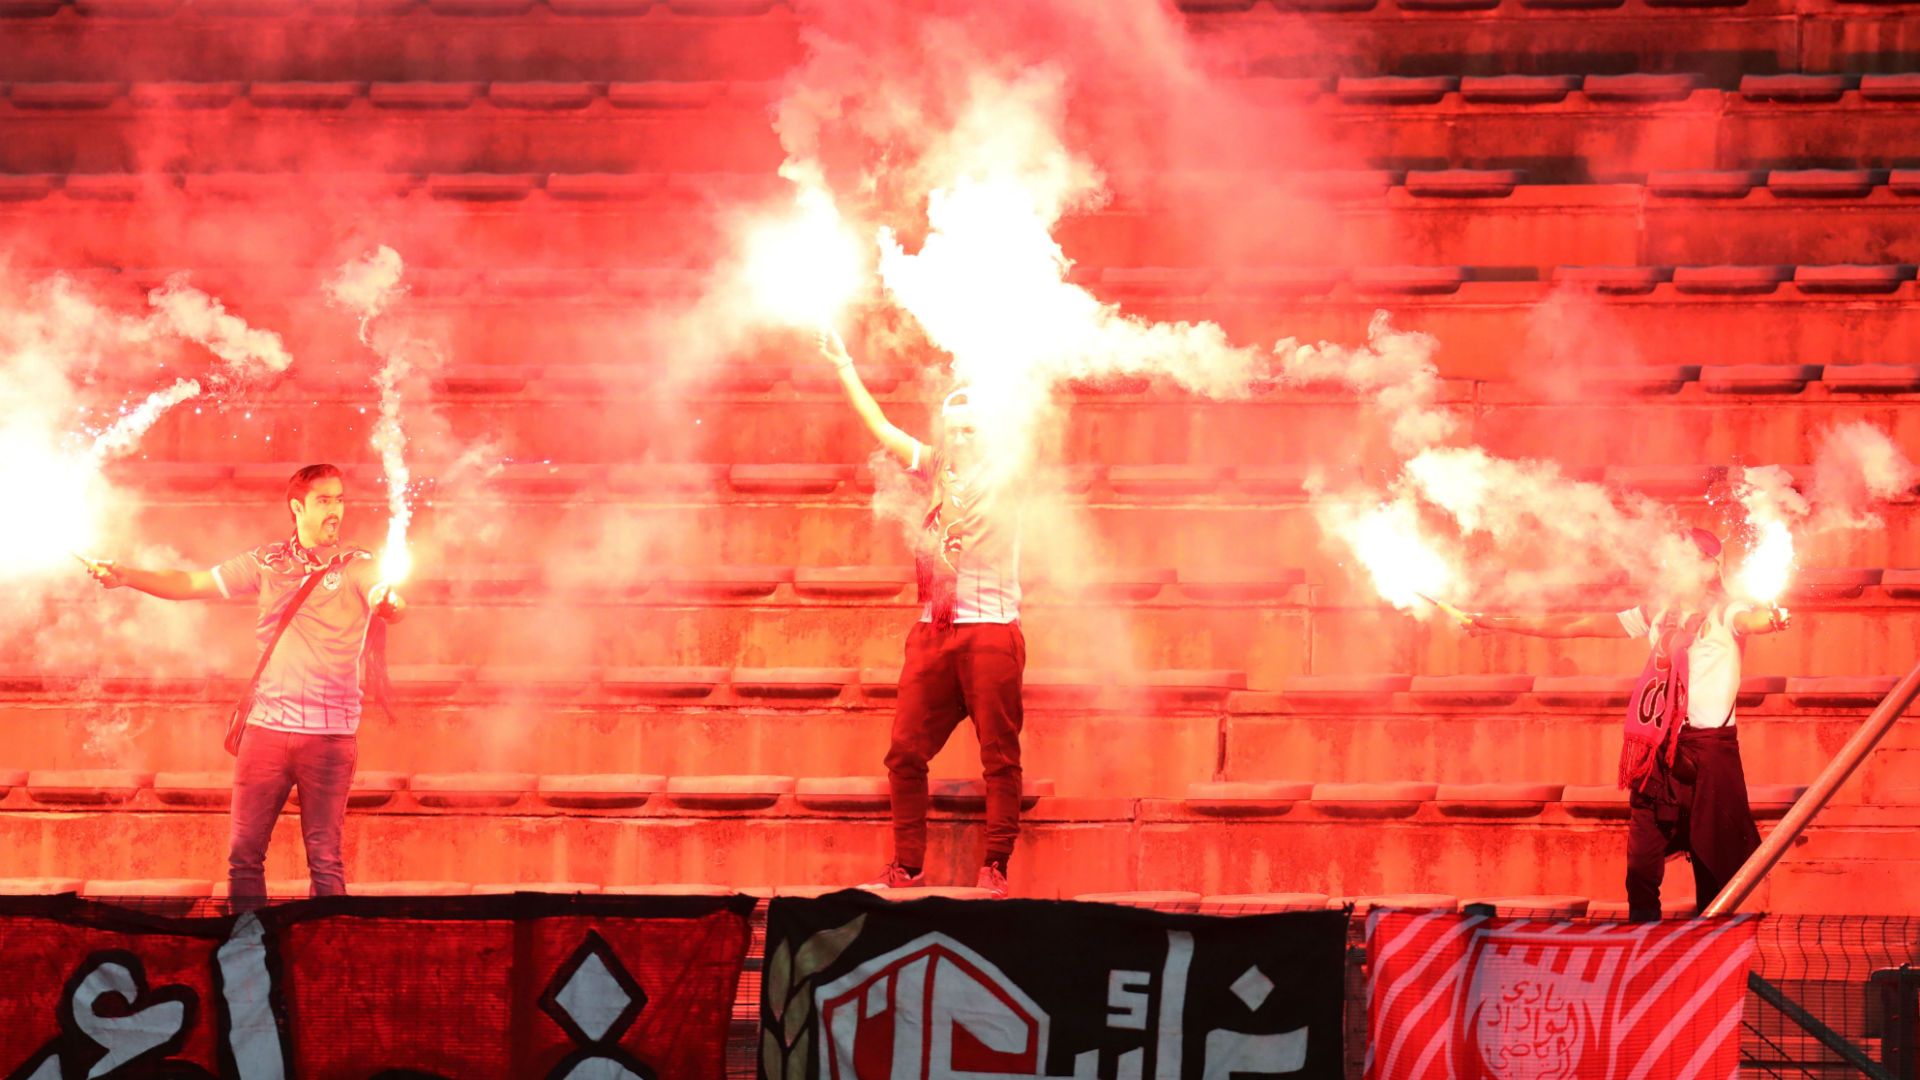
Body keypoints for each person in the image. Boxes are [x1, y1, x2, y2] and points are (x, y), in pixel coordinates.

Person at [85, 463, 405, 906]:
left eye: (339, 500)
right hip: (265, 732)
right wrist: (126, 576)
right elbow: (191, 582)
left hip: (329, 738)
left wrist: (390, 603)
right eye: (324, 501)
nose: (335, 510)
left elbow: (384, 596)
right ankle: (249, 945)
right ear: (298, 507)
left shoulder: (357, 564)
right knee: (243, 856)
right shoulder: (267, 561)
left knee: (325, 859)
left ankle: (328, 948)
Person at [1465, 528, 1791, 920]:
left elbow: (1751, 620)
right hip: (1659, 750)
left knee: (1712, 869)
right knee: (1640, 868)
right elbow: (1577, 624)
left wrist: (1772, 619)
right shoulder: (1659, 613)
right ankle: (1643, 941)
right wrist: (1498, 623)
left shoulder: (1726, 611)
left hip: (1709, 753)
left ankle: (1707, 947)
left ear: (1710, 567)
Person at [819, 329, 1026, 898]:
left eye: (971, 429)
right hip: (934, 631)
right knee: (904, 752)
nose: (960, 437)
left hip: (991, 631)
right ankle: (907, 866)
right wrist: (844, 366)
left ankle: (996, 866)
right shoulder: (935, 466)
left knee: (999, 756)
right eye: (953, 428)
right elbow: (881, 427)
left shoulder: (1012, 473)